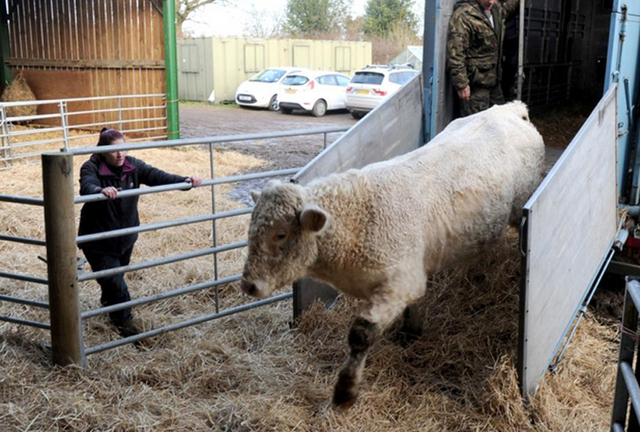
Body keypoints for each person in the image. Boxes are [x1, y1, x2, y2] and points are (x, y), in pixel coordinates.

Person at [78, 127, 202, 338]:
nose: (120, 154)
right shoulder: (91, 166)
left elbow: (157, 176)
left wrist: (185, 181)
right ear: (102, 151)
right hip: (98, 239)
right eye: (114, 151)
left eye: (123, 149)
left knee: (115, 280)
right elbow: (87, 186)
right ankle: (126, 328)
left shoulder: (132, 166)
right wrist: (100, 191)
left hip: (125, 237)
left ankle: (109, 307)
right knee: (116, 282)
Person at [447, 0, 520, 117]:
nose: (491, 2)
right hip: (476, 89)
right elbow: (456, 53)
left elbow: (506, 9)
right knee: (476, 128)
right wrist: (461, 84)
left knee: (500, 121)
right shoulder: (464, 15)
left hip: (494, 84)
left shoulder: (494, 9)